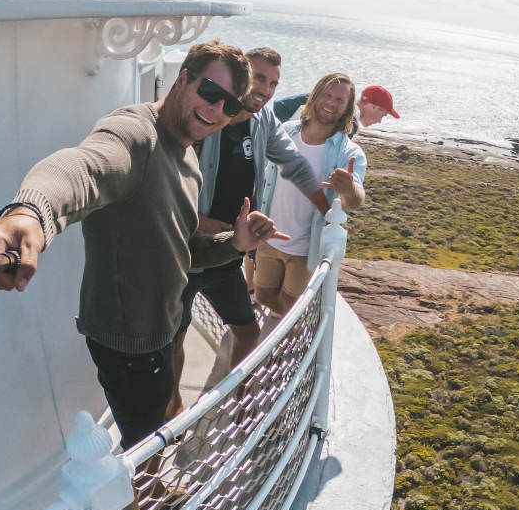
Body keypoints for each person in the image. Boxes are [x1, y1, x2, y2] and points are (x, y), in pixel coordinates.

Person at [0, 41, 287, 451]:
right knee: (144, 444)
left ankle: (153, 477)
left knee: (157, 418)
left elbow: (185, 247)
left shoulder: (187, 155)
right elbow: (82, 167)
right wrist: (30, 212)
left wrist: (237, 242)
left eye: (229, 107)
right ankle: (152, 500)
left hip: (162, 325)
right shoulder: (136, 135)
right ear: (183, 79)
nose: (216, 111)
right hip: (129, 344)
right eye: (210, 92)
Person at [168, 47, 330, 418]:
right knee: (175, 336)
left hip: (229, 249)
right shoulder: (205, 118)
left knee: (246, 331)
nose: (266, 90)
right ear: (239, 78)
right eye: (259, 79)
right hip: (188, 250)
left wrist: (329, 210)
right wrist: (195, 217)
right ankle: (172, 409)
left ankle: (236, 402)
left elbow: (295, 165)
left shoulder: (264, 121)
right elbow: (168, 173)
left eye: (273, 83)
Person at [254, 73, 367, 316]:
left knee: (291, 307)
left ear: (347, 108)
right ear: (315, 96)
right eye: (327, 94)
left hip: (306, 247)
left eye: (340, 99)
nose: (331, 102)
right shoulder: (285, 131)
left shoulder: (349, 152)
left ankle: (285, 344)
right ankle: (283, 330)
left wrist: (348, 188)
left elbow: (355, 202)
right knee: (263, 294)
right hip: (269, 236)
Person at [272, 84, 400, 137]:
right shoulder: (351, 124)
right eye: (383, 115)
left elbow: (280, 105)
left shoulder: (326, 97)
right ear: (373, 106)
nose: (379, 121)